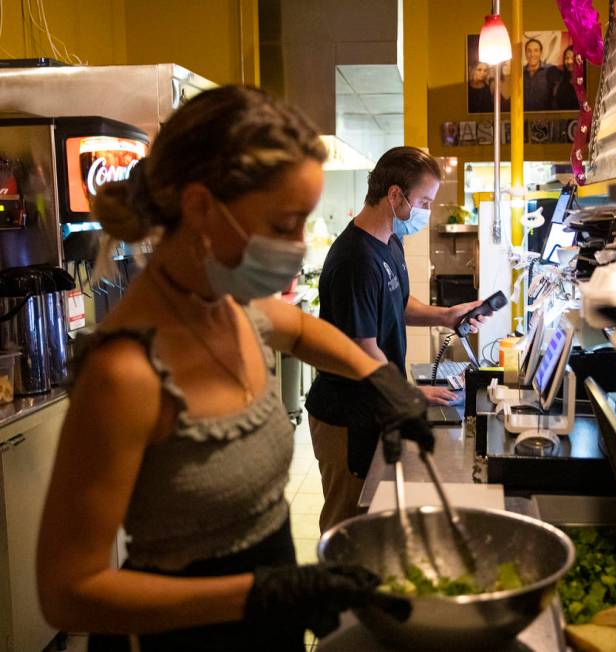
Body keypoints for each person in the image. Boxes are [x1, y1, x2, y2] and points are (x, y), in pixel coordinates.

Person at [36, 86, 426, 652]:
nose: (298, 244)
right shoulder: (125, 374)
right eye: (284, 223)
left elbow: (302, 329)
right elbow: (68, 593)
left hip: (269, 628)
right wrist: (255, 594)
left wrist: (378, 378)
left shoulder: (231, 306)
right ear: (199, 208)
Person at [305, 146, 485, 533]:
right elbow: (362, 347)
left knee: (373, 519)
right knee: (346, 524)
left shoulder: (389, 241)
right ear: (394, 195)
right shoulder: (355, 260)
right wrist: (408, 393)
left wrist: (447, 315)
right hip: (345, 415)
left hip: (374, 403)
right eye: (423, 201)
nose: (426, 211)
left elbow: (398, 304)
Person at [523, 37, 556, 111]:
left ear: (541, 53)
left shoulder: (550, 70)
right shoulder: (520, 73)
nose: (532, 54)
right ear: (525, 53)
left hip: (545, 118)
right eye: (529, 51)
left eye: (536, 51)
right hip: (523, 119)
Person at [553, 45, 580, 110]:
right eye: (567, 58)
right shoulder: (561, 79)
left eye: (573, 58)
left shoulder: (587, 81)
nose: (569, 61)